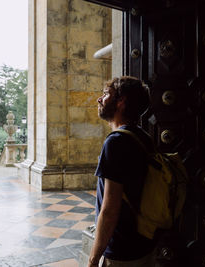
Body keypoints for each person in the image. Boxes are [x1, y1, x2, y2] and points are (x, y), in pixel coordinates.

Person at [88, 76, 156, 267]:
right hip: (145, 242)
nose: (99, 99)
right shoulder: (143, 137)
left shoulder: (116, 142)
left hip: (121, 251)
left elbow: (109, 210)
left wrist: (93, 259)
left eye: (106, 94)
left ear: (121, 102)